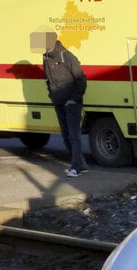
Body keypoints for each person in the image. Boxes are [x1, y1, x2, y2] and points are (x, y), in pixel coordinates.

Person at [34, 28, 87, 177]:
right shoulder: (46, 58)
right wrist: (52, 95)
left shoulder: (67, 56)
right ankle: (79, 165)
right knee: (65, 135)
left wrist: (73, 99)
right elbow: (48, 79)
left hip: (71, 103)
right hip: (58, 102)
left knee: (73, 135)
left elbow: (80, 79)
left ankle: (76, 167)